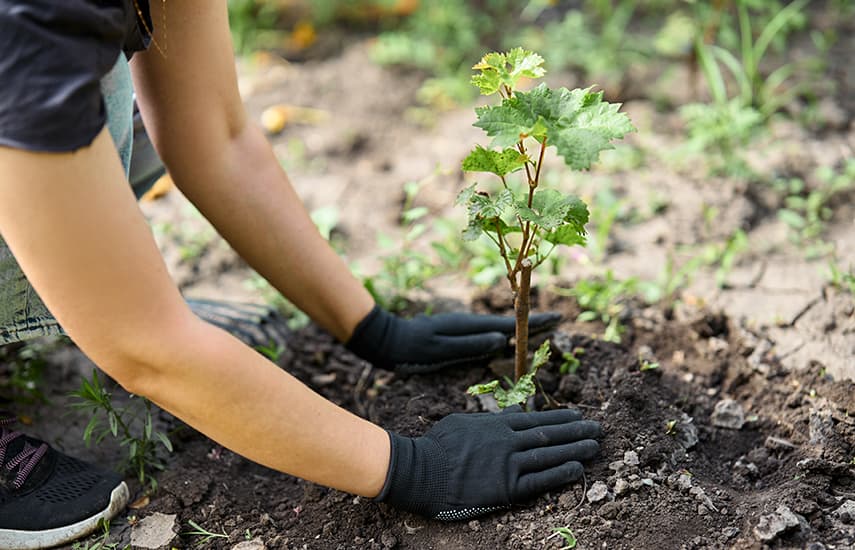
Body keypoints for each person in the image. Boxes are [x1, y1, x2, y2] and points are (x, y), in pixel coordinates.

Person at [0, 1, 602, 548]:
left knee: (121, 115)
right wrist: (413, 468)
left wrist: (370, 327)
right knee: (75, 112)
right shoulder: (28, 33)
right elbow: (144, 348)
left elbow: (216, 134)